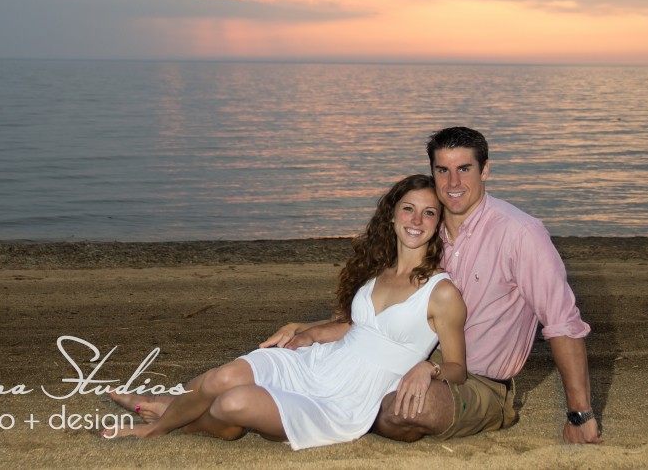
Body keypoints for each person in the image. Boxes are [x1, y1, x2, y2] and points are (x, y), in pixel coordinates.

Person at [265, 127, 601, 444]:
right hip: (400, 358)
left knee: (405, 409)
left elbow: (562, 325)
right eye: (442, 170)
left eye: (464, 169)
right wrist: (308, 329)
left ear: (484, 171)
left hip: (477, 382)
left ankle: (350, 412)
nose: (453, 182)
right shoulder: (424, 226)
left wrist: (579, 414)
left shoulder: (520, 234)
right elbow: (377, 314)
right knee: (307, 367)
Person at [104, 174, 467, 450]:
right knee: (220, 380)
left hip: (347, 398)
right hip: (318, 363)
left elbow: (458, 368)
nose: (416, 219)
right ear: (392, 215)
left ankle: (172, 415)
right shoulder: (379, 269)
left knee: (233, 403)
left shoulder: (442, 292)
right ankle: (158, 423)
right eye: (409, 208)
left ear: (437, 224)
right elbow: (354, 329)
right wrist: (305, 329)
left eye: (428, 212)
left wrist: (428, 367)